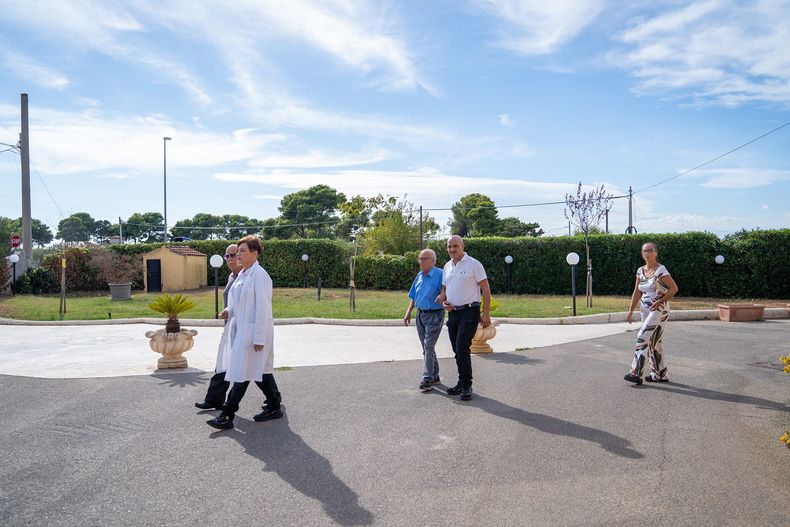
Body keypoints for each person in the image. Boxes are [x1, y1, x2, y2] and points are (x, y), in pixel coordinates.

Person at [207, 235, 282, 430]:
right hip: (242, 331)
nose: (237, 255)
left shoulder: (260, 275)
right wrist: (229, 311)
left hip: (255, 334)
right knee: (261, 371)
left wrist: (258, 338)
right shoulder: (243, 274)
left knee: (242, 373)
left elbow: (263, 309)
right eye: (237, 251)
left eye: (242, 251)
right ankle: (274, 405)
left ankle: (227, 414)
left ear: (254, 253)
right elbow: (239, 302)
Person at [435, 235, 491, 401]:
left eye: (455, 246)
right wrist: (444, 301)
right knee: (456, 349)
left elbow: (486, 289)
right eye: (449, 246)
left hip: (470, 311)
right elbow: (445, 288)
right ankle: (461, 382)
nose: (452, 249)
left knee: (461, 347)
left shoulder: (474, 264)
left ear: (462, 246)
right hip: (453, 313)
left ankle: (467, 385)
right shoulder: (447, 266)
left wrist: (485, 313)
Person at [624, 242, 679, 385]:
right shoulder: (640, 271)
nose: (647, 253)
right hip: (645, 309)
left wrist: (660, 301)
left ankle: (635, 372)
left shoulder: (661, 270)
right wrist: (630, 310)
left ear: (656, 253)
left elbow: (673, 288)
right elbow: (637, 291)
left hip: (658, 309)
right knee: (655, 341)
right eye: (644, 251)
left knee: (643, 336)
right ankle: (660, 374)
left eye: (650, 250)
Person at [195, 243, 241, 410]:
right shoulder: (232, 276)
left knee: (255, 371)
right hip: (230, 326)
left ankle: (273, 399)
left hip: (240, 328)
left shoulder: (245, 277)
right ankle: (214, 400)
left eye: (233, 254)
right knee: (223, 363)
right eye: (226, 256)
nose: (230, 259)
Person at [403, 248, 445, 391]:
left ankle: (427, 379)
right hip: (420, 315)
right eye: (420, 258)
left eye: (424, 259)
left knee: (428, 346)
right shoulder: (419, 275)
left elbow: (448, 291)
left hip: (435, 314)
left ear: (432, 261)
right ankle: (436, 375)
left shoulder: (441, 275)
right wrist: (408, 312)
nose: (421, 261)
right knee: (426, 347)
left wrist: (443, 296)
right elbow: (414, 296)